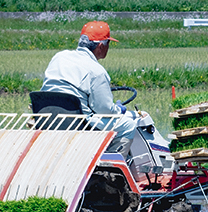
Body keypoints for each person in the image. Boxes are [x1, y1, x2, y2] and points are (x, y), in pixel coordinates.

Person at [41, 21, 162, 172]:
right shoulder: (96, 71)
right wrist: (118, 109)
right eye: (108, 44)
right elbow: (105, 110)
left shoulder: (59, 57)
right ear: (101, 46)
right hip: (79, 123)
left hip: (48, 119)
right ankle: (110, 171)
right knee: (128, 125)